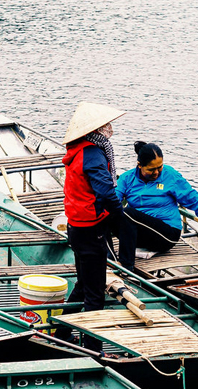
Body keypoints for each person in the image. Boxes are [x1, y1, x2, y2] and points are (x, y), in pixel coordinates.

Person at [60, 101, 126, 353]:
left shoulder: (77, 149)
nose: (109, 129)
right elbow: (105, 191)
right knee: (95, 292)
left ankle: (63, 332)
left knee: (82, 284)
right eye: (105, 126)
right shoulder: (94, 153)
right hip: (90, 227)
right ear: (96, 130)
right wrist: (119, 217)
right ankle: (93, 349)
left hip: (77, 224)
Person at [116, 141, 198, 264]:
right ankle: (108, 257)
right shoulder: (126, 178)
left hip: (167, 234)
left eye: (159, 167)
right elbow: (112, 199)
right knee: (110, 213)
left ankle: (126, 267)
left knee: (127, 212)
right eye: (151, 169)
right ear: (139, 165)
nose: (156, 173)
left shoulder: (170, 175)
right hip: (140, 233)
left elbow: (194, 200)